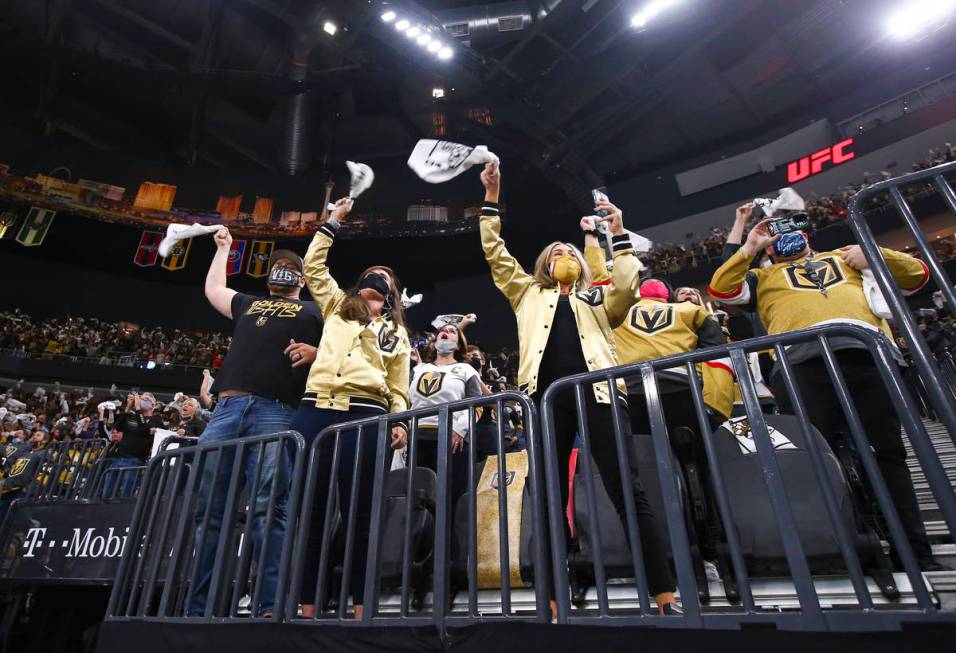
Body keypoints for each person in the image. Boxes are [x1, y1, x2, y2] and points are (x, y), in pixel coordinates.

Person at [478, 163, 678, 614]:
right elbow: (494, 251)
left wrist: (618, 233)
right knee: (548, 497)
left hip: (600, 393)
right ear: (544, 266)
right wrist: (491, 198)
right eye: (556, 252)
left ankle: (663, 593)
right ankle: (551, 597)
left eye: (571, 249)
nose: (564, 254)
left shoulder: (598, 297)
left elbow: (628, 287)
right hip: (543, 398)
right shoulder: (526, 292)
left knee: (627, 488)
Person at [708, 219, 946, 570]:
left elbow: (917, 276)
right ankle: (845, 547)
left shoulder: (846, 257)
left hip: (867, 354)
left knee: (887, 453)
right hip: (800, 365)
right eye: (774, 236)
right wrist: (750, 247)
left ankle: (913, 550)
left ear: (807, 236)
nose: (782, 237)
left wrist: (874, 253)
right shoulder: (763, 277)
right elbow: (722, 289)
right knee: (818, 458)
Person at [189, 226, 323, 618]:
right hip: (226, 411)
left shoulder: (316, 310)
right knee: (209, 509)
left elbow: (347, 341)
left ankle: (268, 605)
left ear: (301, 278)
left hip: (277, 409)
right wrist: (223, 250)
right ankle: (201, 607)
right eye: (277, 265)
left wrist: (318, 350)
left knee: (269, 507)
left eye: (289, 267)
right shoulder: (248, 302)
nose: (281, 269)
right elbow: (215, 290)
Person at [291, 197, 411, 619]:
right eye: (367, 284)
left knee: (361, 509)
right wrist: (332, 222)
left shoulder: (397, 333)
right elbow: (313, 270)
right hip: (317, 408)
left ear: (390, 299)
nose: (373, 290)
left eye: (382, 289)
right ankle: (305, 603)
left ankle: (362, 605)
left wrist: (400, 422)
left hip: (366, 414)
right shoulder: (336, 308)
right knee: (312, 507)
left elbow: (398, 385)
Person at [406, 322, 483, 505]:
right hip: (417, 438)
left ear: (458, 344)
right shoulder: (418, 369)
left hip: (452, 440)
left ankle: (449, 534)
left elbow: (477, 405)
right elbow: (405, 400)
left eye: (452, 331)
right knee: (418, 499)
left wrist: (460, 429)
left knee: (450, 498)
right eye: (442, 331)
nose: (445, 332)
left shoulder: (466, 370)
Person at [105, 392, 161, 495]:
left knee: (126, 493)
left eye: (145, 399)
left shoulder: (156, 421)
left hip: (135, 460)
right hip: (118, 457)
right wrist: (128, 406)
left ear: (152, 405)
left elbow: (144, 429)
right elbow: (117, 426)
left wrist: (138, 408)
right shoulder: (132, 417)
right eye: (141, 398)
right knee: (107, 492)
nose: (141, 400)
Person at [0, 428, 49, 522]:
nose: (34, 436)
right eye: (34, 434)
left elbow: (46, 474)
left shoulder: (44, 454)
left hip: (22, 492)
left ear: (45, 440)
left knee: (13, 522)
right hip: (8, 490)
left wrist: (31, 488)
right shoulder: (24, 452)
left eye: (38, 435)